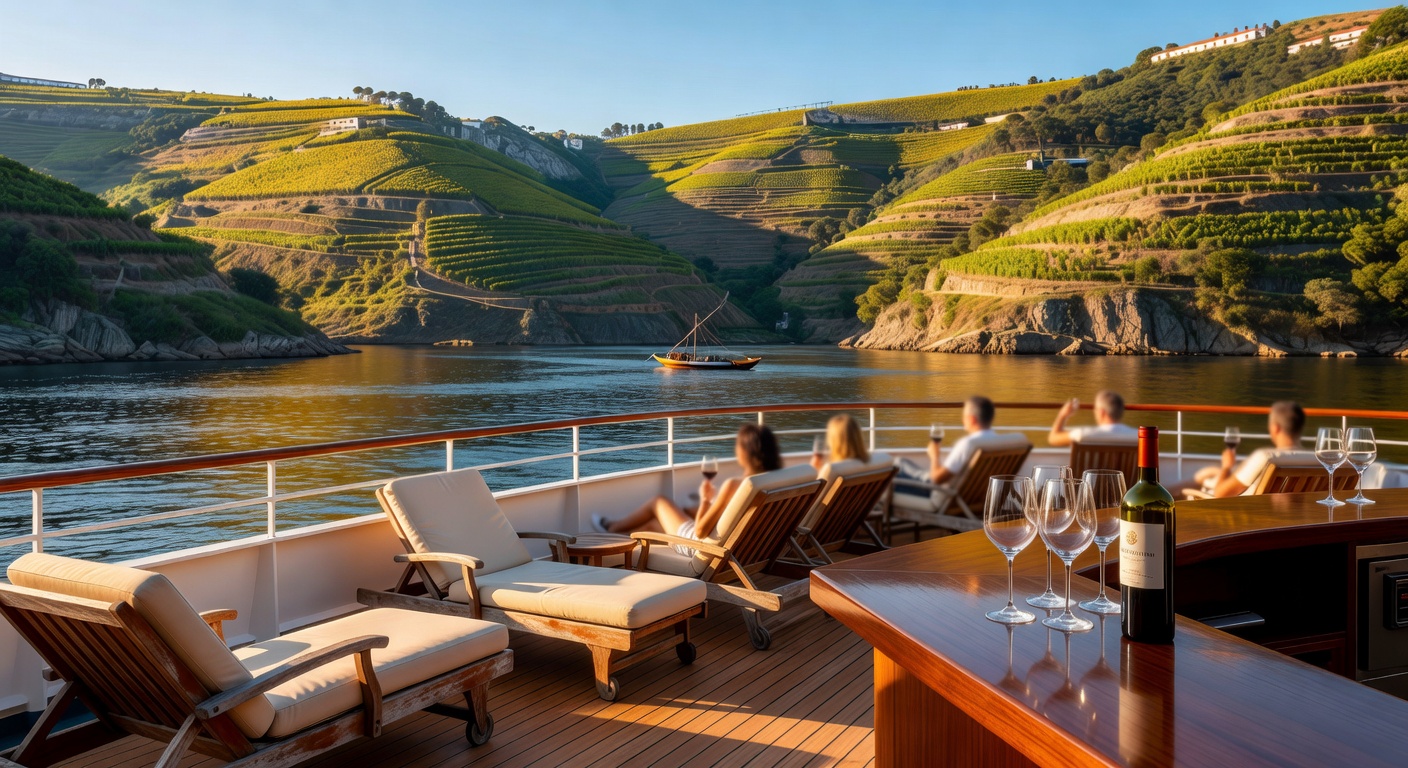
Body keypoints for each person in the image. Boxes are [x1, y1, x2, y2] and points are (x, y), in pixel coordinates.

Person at [593, 423, 783, 550]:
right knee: (652, 525)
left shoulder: (735, 485)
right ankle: (617, 545)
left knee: (659, 502)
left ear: (746, 452)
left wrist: (706, 501)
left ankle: (611, 528)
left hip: (706, 548)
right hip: (746, 548)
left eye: (738, 446)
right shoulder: (778, 480)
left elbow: (700, 531)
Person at [1193, 401, 1310, 497]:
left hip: (1244, 517)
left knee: (1187, 489)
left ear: (1275, 428)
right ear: (1300, 428)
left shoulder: (1265, 457)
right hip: (1290, 519)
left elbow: (1220, 494)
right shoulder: (1315, 459)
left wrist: (1226, 466)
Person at [895, 396, 996, 490]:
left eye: (964, 416)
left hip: (942, 493)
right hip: (976, 496)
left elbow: (936, 479)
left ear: (972, 419)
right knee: (904, 464)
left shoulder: (968, 444)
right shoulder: (1000, 442)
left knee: (899, 463)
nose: (962, 420)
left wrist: (934, 456)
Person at [1048, 390, 1137, 447]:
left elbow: (1053, 438)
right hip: (1124, 477)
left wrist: (1063, 415)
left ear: (1102, 412)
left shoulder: (1082, 435)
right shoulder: (1139, 437)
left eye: (1095, 409)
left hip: (1088, 477)